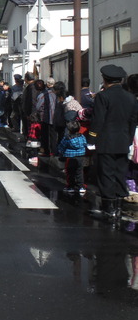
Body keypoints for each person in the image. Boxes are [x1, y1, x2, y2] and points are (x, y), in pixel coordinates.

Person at [88, 65, 138, 219]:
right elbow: (133, 121)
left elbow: (98, 120)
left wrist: (92, 138)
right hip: (124, 141)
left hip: (106, 141)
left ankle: (108, 209)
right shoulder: (130, 97)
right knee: (120, 173)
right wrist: (129, 139)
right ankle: (118, 207)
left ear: (105, 79)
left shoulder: (103, 96)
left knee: (106, 174)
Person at [57, 119, 87, 196]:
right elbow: (85, 144)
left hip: (70, 157)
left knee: (70, 173)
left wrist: (60, 152)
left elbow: (62, 146)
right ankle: (81, 186)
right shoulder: (82, 136)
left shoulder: (67, 138)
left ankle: (71, 187)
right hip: (80, 156)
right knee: (79, 172)